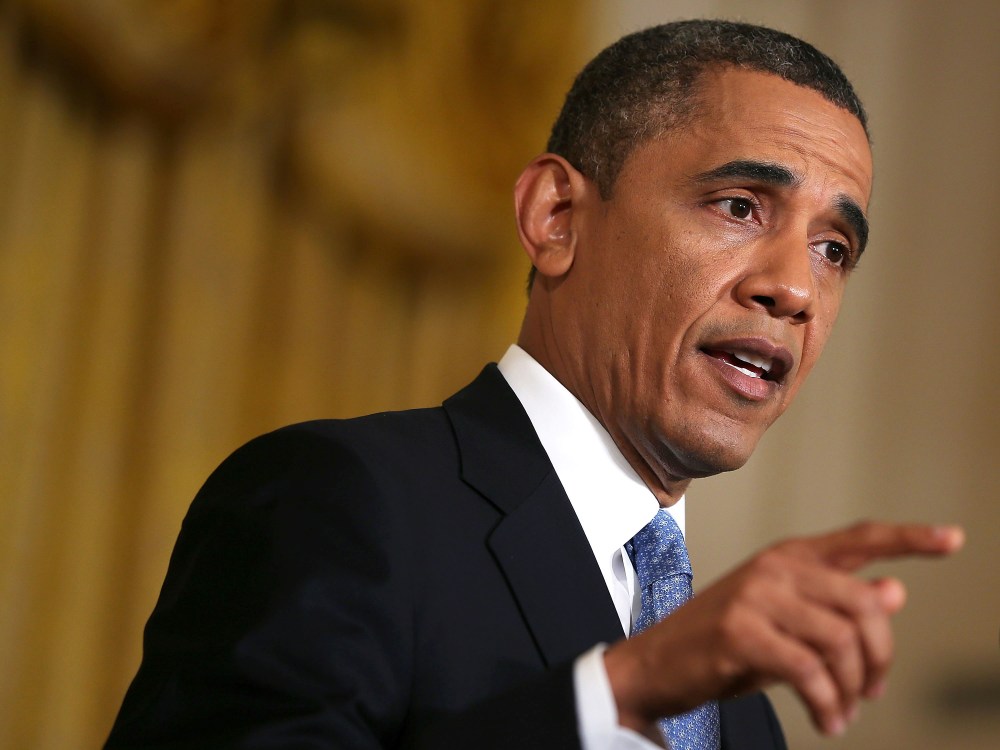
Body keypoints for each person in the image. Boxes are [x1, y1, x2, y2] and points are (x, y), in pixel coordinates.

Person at [104, 19, 964, 750]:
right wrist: (617, 695)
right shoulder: (337, 503)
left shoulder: (741, 713)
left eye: (833, 250)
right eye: (739, 205)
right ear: (555, 217)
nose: (796, 290)